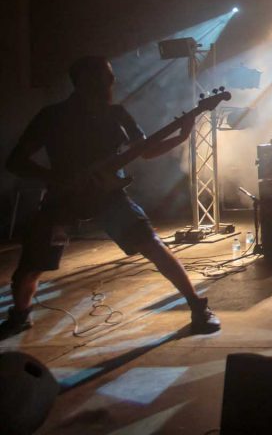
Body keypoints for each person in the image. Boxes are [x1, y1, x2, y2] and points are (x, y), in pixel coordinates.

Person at [0, 56, 220, 340]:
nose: (112, 82)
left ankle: (198, 307)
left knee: (153, 245)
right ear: (83, 81)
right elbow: (15, 161)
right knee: (29, 269)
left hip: (107, 196)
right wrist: (56, 178)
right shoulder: (52, 116)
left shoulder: (117, 114)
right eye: (105, 77)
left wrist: (182, 135)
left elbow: (146, 151)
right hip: (63, 199)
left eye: (110, 76)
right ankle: (20, 316)